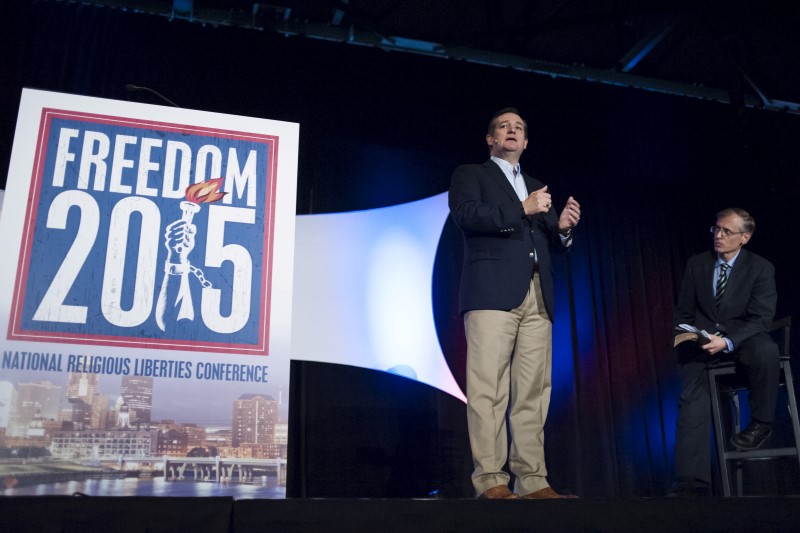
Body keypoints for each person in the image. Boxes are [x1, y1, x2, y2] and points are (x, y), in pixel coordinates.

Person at [448, 107, 581, 499]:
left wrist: (564, 230)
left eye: (519, 127)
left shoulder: (538, 186)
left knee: (533, 392)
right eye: (504, 126)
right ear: (491, 139)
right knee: (489, 388)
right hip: (490, 294)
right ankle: (490, 479)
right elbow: (468, 216)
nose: (511, 130)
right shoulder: (470, 175)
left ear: (525, 142)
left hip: (538, 296)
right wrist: (522, 208)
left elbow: (550, 244)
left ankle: (533, 481)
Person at [669, 208, 779, 497]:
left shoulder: (761, 268)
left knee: (766, 350)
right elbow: (684, 311)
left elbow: (761, 318)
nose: (718, 235)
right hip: (706, 343)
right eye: (716, 229)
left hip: (743, 338)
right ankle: (691, 482)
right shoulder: (697, 264)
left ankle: (761, 424)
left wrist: (728, 340)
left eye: (726, 231)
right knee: (691, 395)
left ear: (745, 237)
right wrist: (687, 334)